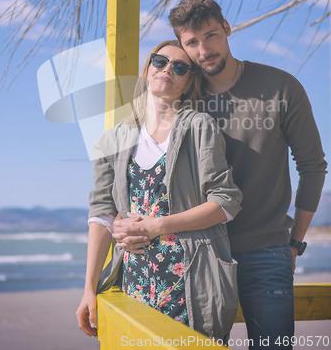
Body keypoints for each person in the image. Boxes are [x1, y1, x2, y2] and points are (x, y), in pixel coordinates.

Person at [114, 0, 327, 350]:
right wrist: (125, 224)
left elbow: (312, 166)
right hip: (198, 253)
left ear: (227, 29)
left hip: (265, 250)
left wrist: (295, 242)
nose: (203, 49)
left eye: (211, 35)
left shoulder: (280, 87)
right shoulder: (184, 100)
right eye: (191, 42)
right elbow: (145, 173)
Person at [76, 40, 242, 341]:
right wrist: (89, 288)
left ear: (189, 81)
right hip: (134, 284)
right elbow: (101, 213)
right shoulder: (112, 140)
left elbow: (226, 202)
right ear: (148, 67)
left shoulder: (200, 127)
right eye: (160, 60)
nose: (167, 69)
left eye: (180, 67)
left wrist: (159, 225)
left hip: (191, 284)